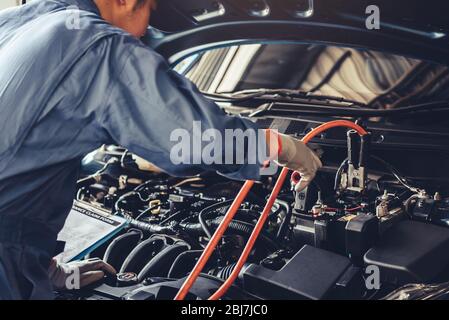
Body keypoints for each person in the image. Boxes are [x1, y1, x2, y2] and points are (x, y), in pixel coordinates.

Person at [0, 0, 322, 299]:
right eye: (150, 14)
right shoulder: (96, 46)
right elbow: (195, 141)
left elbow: (25, 157)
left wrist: (45, 268)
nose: (144, 34)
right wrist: (280, 147)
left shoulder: (19, 22)